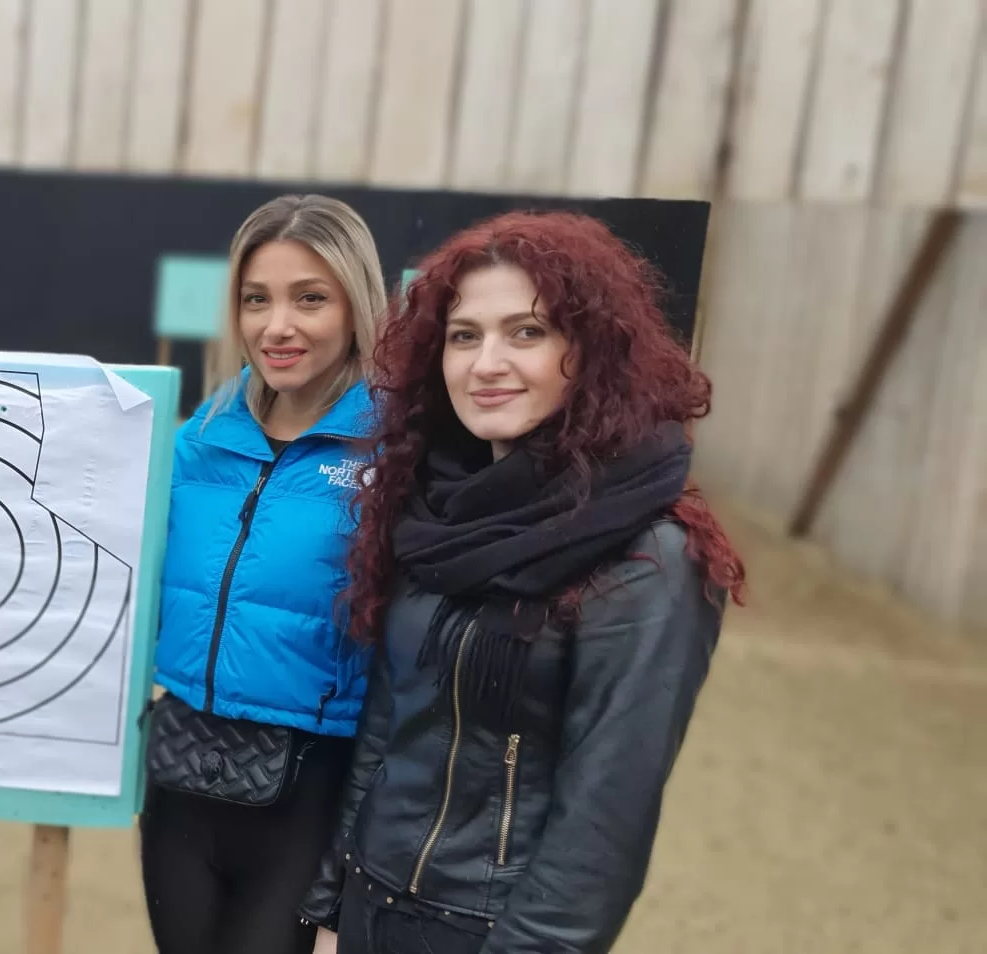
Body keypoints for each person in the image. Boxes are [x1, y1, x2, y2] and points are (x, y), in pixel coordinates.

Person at [297, 210, 747, 953]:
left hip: (487, 934)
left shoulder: (649, 556)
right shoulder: (432, 511)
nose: (487, 363)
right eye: (464, 335)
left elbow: (600, 827)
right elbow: (384, 732)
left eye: (527, 332)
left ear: (590, 350)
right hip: (372, 909)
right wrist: (332, 908)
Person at [138, 194, 387, 954]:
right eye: (256, 300)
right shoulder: (199, 438)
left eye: (309, 299)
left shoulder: (398, 454)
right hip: (181, 774)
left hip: (308, 789)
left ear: (356, 306)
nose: (277, 326)